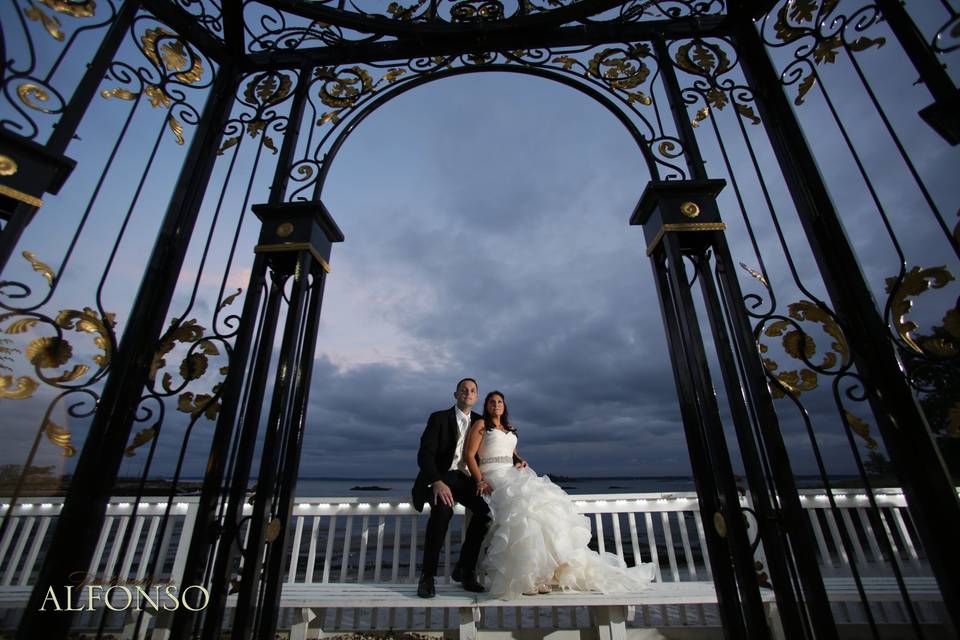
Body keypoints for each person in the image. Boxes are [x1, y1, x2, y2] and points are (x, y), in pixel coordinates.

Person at [464, 390, 657, 599]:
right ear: (486, 405)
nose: (496, 405)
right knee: (522, 514)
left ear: (504, 406)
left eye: (500, 402)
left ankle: (541, 574)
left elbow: (510, 453)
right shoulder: (481, 425)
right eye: (492, 402)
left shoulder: (508, 429)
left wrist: (520, 460)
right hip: (493, 476)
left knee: (542, 510)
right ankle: (523, 578)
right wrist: (480, 480)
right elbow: (469, 455)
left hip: (512, 474)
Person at [412, 377, 492, 598]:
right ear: (455, 394)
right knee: (442, 512)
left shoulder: (480, 421)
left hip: (464, 479)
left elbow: (499, 444)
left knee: (486, 513)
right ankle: (427, 577)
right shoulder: (438, 418)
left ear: (476, 397)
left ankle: (465, 570)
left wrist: (516, 461)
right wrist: (437, 481)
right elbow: (424, 454)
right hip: (440, 478)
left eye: (473, 390)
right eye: (463, 389)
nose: (468, 392)